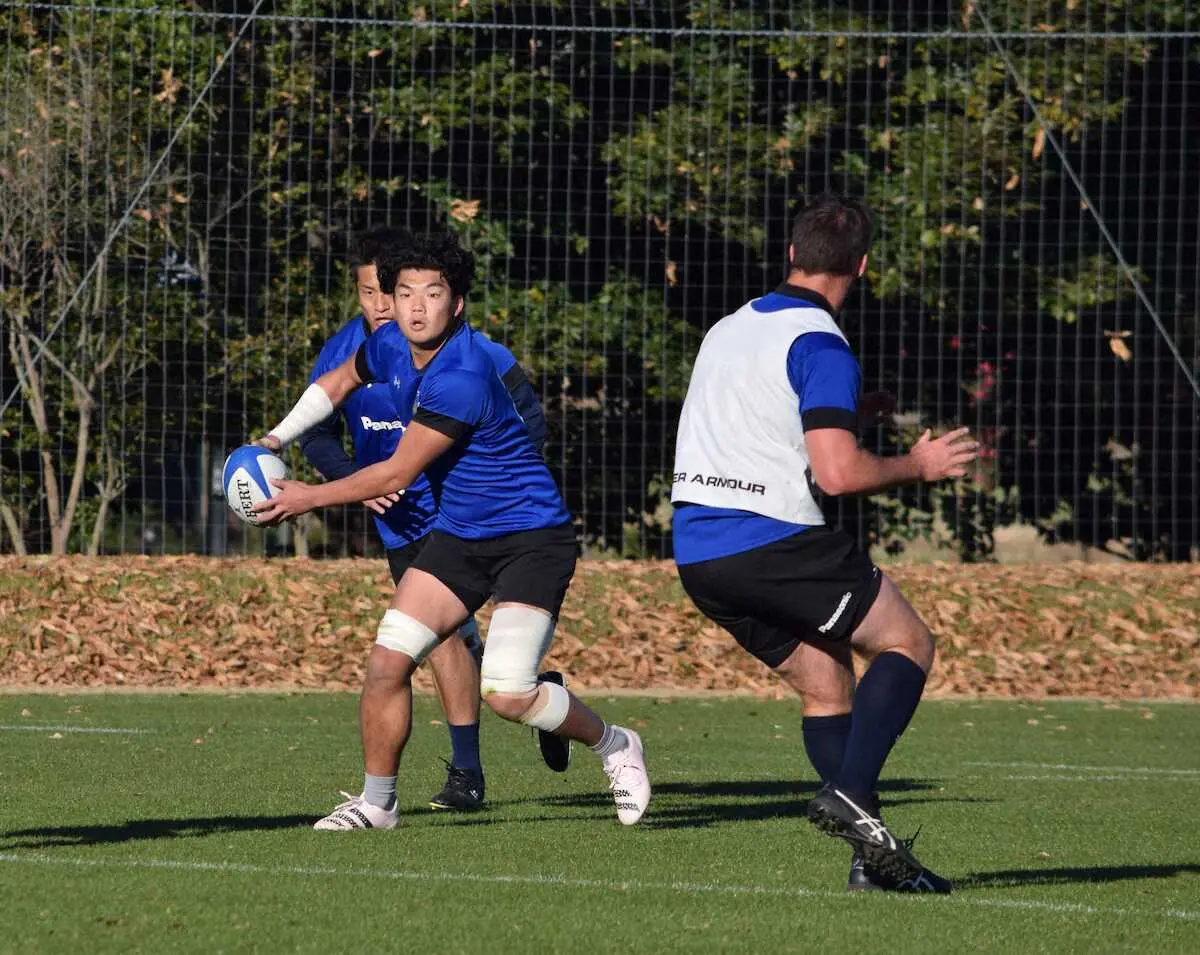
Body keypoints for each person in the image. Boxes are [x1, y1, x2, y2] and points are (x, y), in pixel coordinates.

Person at [254, 231, 651, 830]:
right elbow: (336, 384)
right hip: (459, 537)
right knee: (387, 663)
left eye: (432, 293)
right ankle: (377, 804)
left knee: (509, 693)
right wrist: (275, 438)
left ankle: (615, 744)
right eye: (404, 292)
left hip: (530, 541)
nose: (415, 307)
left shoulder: (462, 374)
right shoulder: (388, 343)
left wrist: (306, 497)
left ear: (457, 303)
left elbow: (397, 472)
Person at [670, 195, 976, 892]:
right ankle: (851, 794)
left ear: (791, 254)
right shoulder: (821, 342)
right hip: (770, 541)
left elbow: (761, 421)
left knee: (826, 683)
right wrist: (917, 465)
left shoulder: (728, 327)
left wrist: (848, 414)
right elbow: (837, 474)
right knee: (907, 643)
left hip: (699, 552)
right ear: (861, 266)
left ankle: (872, 861)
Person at [291, 226, 564, 812]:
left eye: (404, 293)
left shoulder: (474, 361)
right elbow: (319, 429)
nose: (385, 306)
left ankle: (477, 760)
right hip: (400, 518)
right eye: (373, 293)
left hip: (469, 516)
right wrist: (348, 479)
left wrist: (317, 495)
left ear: (451, 300)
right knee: (434, 642)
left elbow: (527, 427)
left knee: (458, 650)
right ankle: (443, 775)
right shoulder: (354, 350)